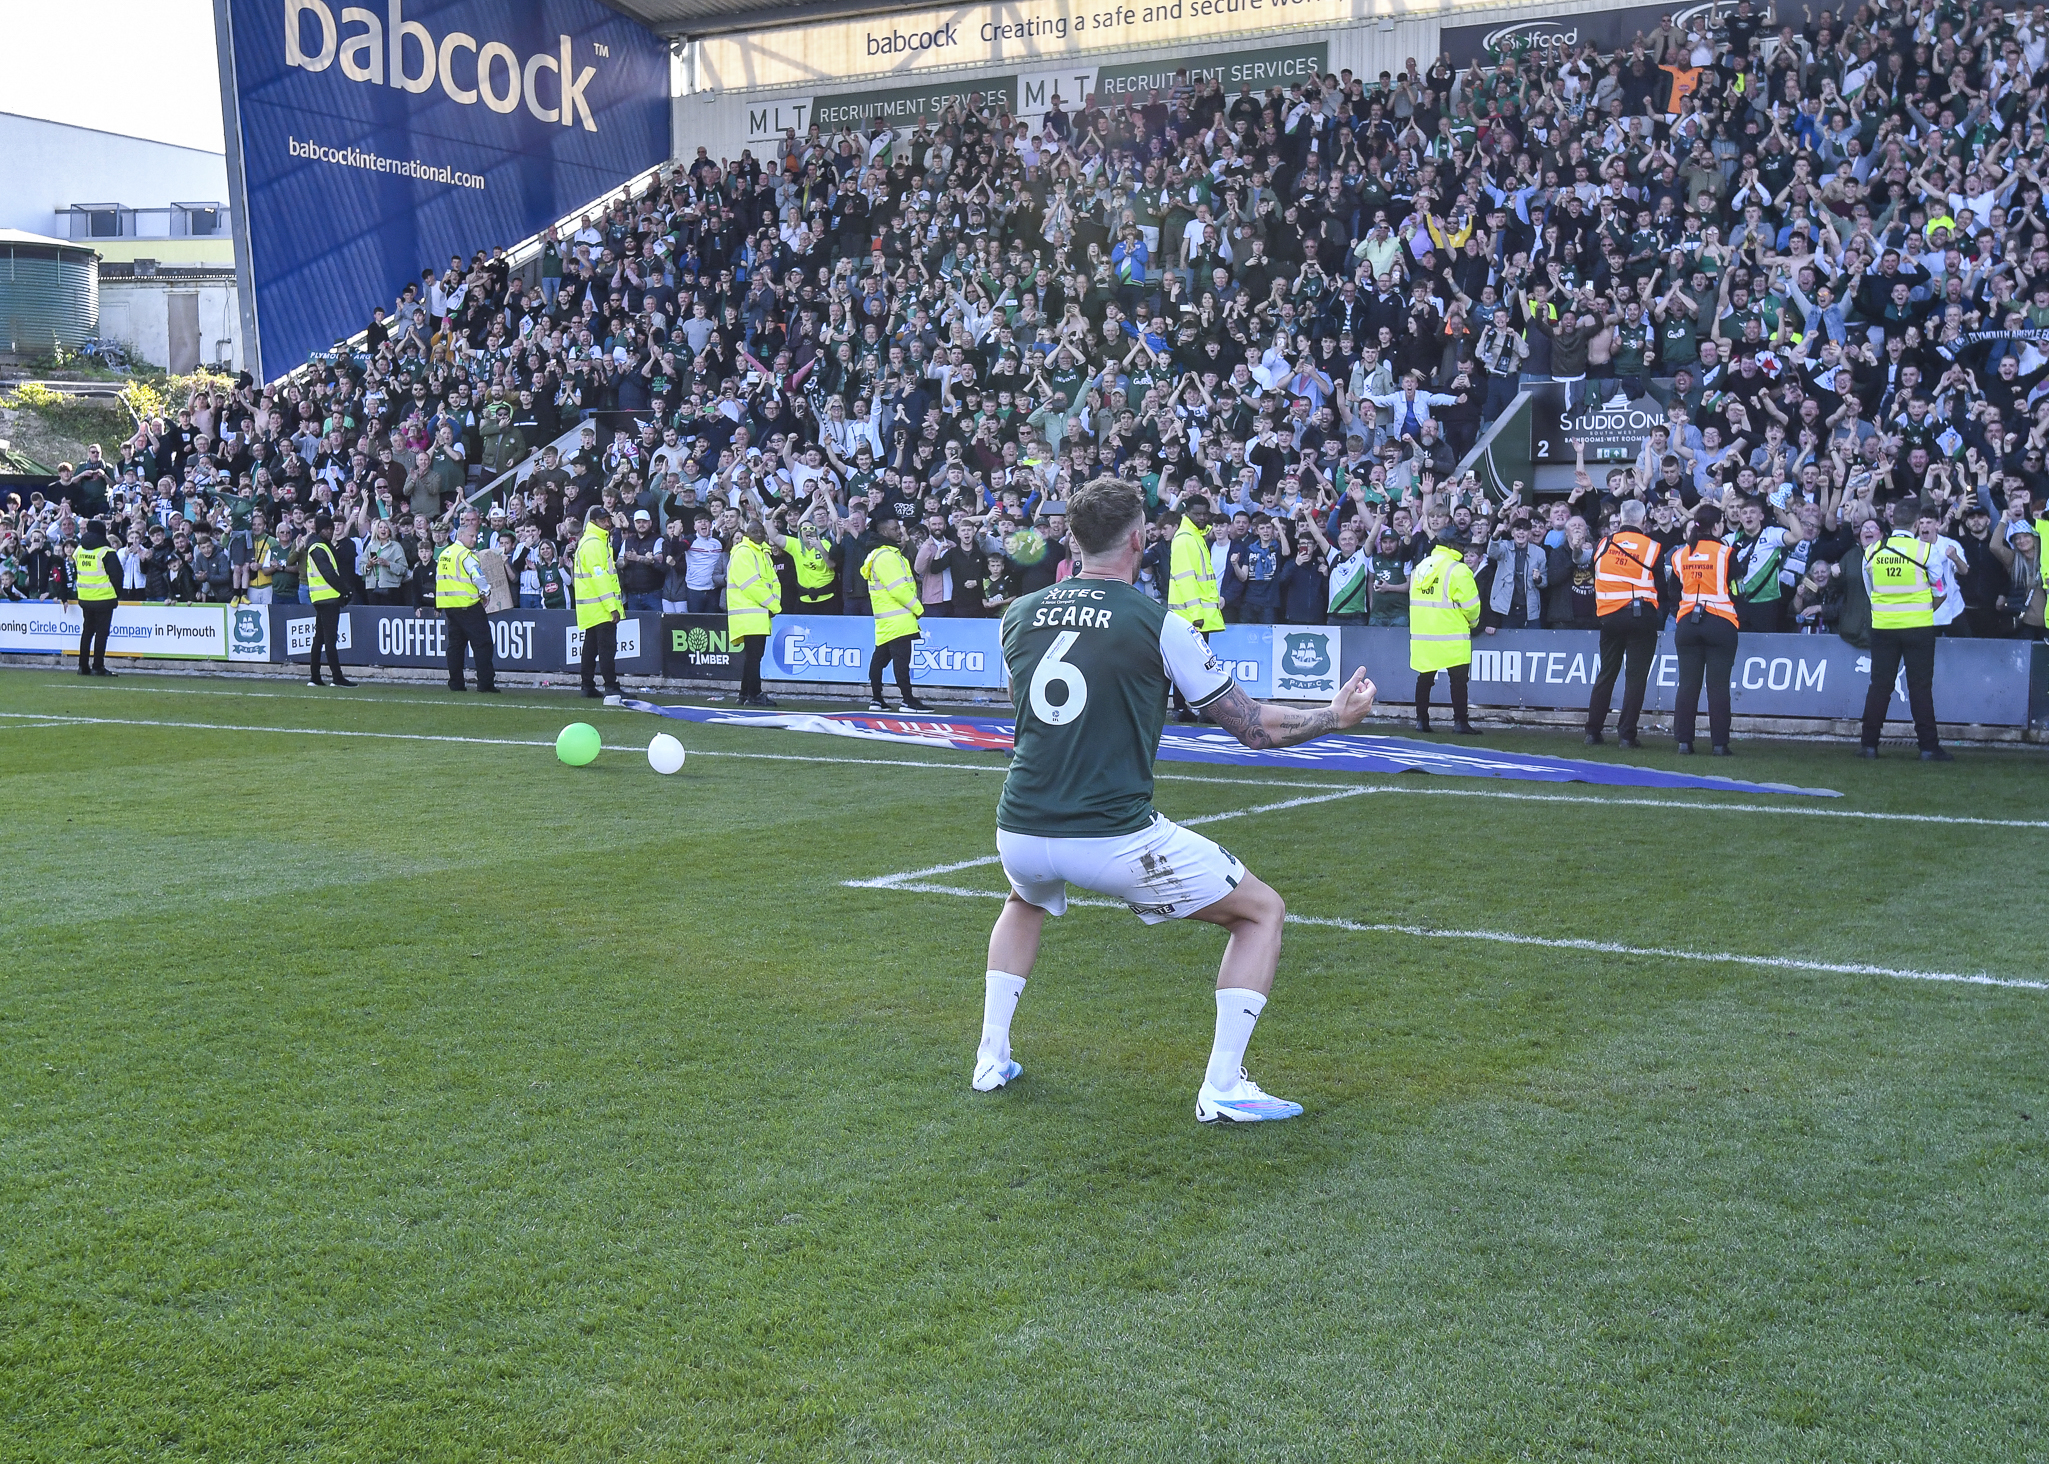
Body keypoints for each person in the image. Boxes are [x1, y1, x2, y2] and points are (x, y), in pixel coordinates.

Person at [973, 477, 1378, 1123]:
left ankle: (990, 1057)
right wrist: (1331, 715)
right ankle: (1222, 1088)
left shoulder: (1017, 615)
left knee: (1023, 898)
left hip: (1019, 824)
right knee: (1260, 912)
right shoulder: (1156, 622)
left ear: (1073, 539)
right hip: (1110, 834)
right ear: (1139, 538)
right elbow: (1254, 729)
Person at [1859, 518, 1947, 760]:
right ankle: (1928, 748)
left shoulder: (1873, 550)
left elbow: (1870, 589)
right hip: (1919, 627)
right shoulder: (1927, 550)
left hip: (1883, 627)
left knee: (1879, 686)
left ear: (1891, 521)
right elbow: (1940, 589)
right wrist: (1923, 609)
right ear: (1916, 525)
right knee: (1920, 687)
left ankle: (1868, 745)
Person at [1584, 499, 1661, 748]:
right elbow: (1660, 584)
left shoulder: (1603, 544)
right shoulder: (1652, 547)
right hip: (1640, 617)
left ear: (1621, 517)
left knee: (1606, 673)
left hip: (1609, 618)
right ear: (1643, 520)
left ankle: (1592, 731)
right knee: (1635, 678)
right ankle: (1627, 734)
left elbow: (1594, 571)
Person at [1669, 504, 1736, 755]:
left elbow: (1673, 592)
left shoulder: (1680, 555)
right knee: (1718, 686)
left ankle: (1684, 742)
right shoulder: (1726, 553)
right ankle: (1719, 744)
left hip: (1687, 622)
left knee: (1687, 684)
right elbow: (1738, 588)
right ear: (1717, 526)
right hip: (1721, 622)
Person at [1409, 528, 1481, 734]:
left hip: (1423, 635)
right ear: (1454, 546)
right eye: (1461, 545)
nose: (1463, 549)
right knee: (1458, 682)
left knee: (1424, 679)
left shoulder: (1421, 567)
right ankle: (1460, 722)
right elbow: (1472, 606)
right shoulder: (1458, 569)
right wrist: (1473, 623)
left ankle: (1421, 721)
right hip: (1452, 634)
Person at [862, 514, 929, 711]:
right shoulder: (887, 556)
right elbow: (898, 589)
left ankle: (876, 699)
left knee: (880, 660)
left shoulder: (883, 554)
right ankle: (907, 700)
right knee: (901, 662)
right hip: (899, 619)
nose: (899, 532)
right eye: (894, 529)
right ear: (884, 532)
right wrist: (918, 608)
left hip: (887, 620)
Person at [1163, 499, 1223, 721]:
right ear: (1186, 513)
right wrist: (1197, 615)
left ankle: (1183, 709)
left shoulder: (1193, 535)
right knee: (1197, 667)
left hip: (1193, 616)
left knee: (1191, 666)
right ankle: (1196, 710)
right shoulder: (1185, 539)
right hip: (1192, 616)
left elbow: (1209, 525)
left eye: (1205, 514)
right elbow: (1185, 580)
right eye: (1198, 514)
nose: (1203, 518)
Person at [436, 519, 498, 692]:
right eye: (471, 535)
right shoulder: (465, 555)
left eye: (476, 536)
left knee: (455, 646)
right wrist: (485, 591)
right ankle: (485, 684)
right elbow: (477, 576)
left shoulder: (445, 554)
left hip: (450, 606)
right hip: (468, 605)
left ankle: (456, 683)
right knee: (482, 644)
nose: (474, 539)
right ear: (460, 535)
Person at [726, 517, 780, 707]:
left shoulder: (762, 553)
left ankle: (744, 694)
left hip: (758, 613)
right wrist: (773, 605)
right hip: (749, 614)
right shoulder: (743, 552)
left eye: (761, 532)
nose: (759, 535)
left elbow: (774, 581)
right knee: (754, 656)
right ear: (747, 534)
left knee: (753, 656)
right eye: (755, 532)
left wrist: (773, 605)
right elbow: (752, 585)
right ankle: (754, 695)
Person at [572, 506, 624, 699]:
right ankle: (611, 685)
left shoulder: (592, 541)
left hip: (592, 606)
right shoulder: (595, 543)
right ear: (593, 522)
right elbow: (600, 579)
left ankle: (587, 685)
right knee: (606, 649)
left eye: (608, 519)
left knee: (591, 648)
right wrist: (612, 607)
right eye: (603, 520)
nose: (607, 523)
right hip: (601, 607)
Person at [302, 511, 356, 688]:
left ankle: (315, 677)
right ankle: (337, 677)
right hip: (328, 597)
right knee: (329, 639)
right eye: (326, 529)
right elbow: (328, 573)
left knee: (320, 638)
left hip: (321, 597)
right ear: (319, 529)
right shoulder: (318, 547)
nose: (330, 532)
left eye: (331, 528)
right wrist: (345, 591)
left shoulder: (318, 545)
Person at [67, 518, 121, 677]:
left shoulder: (79, 550)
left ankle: (82, 666)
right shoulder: (106, 552)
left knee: (87, 631)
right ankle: (98, 666)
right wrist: (116, 594)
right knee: (102, 633)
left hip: (85, 597)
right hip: (104, 597)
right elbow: (117, 576)